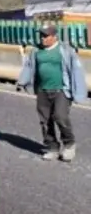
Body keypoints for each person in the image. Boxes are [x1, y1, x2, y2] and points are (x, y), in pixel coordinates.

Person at [16, 24, 87, 162]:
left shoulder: (66, 50)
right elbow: (29, 67)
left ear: (54, 36)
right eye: (41, 35)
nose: (43, 39)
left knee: (60, 116)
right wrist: (22, 81)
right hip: (42, 90)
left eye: (46, 36)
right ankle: (52, 147)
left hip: (61, 90)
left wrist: (78, 92)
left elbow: (76, 71)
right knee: (45, 121)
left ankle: (69, 144)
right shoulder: (36, 51)